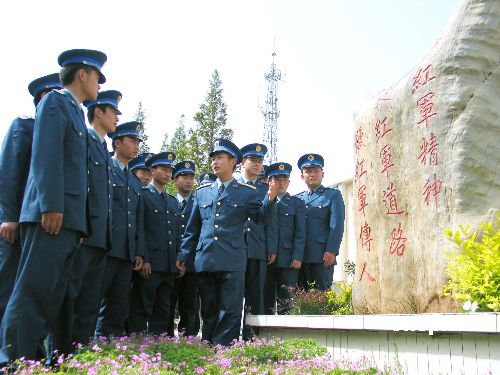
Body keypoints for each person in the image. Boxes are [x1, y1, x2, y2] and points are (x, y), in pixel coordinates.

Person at [0, 49, 107, 363]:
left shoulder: (73, 111)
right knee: (32, 293)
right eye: (97, 77)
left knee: (50, 298)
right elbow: (45, 156)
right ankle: (12, 362)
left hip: (68, 221)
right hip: (52, 216)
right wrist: (50, 205)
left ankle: (33, 359)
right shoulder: (56, 102)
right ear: (82, 74)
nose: (99, 84)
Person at [176, 138, 277, 346]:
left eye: (220, 157)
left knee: (230, 309)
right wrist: (183, 254)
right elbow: (193, 228)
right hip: (206, 259)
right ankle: (208, 346)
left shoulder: (246, 192)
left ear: (233, 161)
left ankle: (223, 350)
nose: (215, 162)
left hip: (232, 259)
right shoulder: (202, 191)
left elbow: (261, 218)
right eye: (213, 158)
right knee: (209, 309)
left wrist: (271, 199)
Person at [52, 90, 121, 354]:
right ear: (98, 112)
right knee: (70, 296)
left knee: (90, 301)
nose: (116, 117)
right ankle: (58, 354)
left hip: (101, 238)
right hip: (84, 232)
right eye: (113, 111)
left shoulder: (103, 148)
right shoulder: (83, 140)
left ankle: (78, 353)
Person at [0, 73, 61, 327]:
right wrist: (9, 217)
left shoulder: (62, 136)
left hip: (41, 224)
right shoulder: (24, 126)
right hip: (17, 224)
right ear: (43, 99)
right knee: (8, 286)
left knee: (34, 290)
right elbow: (9, 175)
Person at [95, 121, 145, 338]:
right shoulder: (105, 167)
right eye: (132, 141)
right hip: (105, 247)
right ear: (117, 143)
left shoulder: (134, 182)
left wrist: (138, 251)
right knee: (94, 301)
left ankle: (110, 348)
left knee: (118, 305)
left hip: (126, 253)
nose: (136, 146)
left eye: (138, 142)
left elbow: (137, 220)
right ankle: (89, 348)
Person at [128, 152, 180, 335]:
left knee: (164, 309)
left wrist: (178, 260)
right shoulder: (143, 195)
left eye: (170, 171)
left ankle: (158, 349)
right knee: (142, 306)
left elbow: (175, 234)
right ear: (152, 170)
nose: (167, 174)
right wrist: (144, 257)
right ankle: (138, 346)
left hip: (168, 265)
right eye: (164, 169)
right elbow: (139, 228)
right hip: (151, 264)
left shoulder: (172, 201)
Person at [238, 143, 277, 340]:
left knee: (256, 295)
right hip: (233, 250)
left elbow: (271, 222)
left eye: (260, 161)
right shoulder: (233, 184)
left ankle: (252, 337)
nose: (257, 164)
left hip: (257, 247)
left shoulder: (265, 189)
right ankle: (228, 339)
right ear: (242, 162)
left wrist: (270, 247)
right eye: (252, 159)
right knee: (233, 296)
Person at [295, 153, 345, 291]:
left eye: (316, 171)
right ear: (302, 176)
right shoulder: (297, 199)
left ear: (322, 174)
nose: (312, 174)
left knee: (321, 297)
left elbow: (337, 226)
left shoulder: (332, 195)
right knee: (300, 299)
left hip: (322, 256)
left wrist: (331, 250)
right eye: (308, 171)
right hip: (299, 257)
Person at [263, 162, 305, 314]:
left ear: (289, 181)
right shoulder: (263, 202)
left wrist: (297, 256)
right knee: (265, 299)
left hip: (288, 260)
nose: (280, 183)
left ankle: (285, 336)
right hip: (265, 258)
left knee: (286, 300)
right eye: (276, 179)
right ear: (270, 181)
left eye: (284, 179)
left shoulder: (297, 204)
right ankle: (263, 337)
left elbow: (301, 232)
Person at [167, 160, 199, 337]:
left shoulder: (198, 203)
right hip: (171, 263)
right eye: (184, 176)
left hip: (192, 263)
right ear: (175, 180)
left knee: (190, 305)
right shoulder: (168, 202)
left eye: (191, 177)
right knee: (168, 304)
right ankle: (166, 338)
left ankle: (189, 340)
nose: (188, 180)